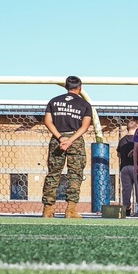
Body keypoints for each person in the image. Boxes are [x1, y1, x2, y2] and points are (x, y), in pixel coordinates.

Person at [41, 75, 92, 218]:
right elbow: (85, 126)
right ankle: (70, 209)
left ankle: (48, 209)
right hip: (75, 140)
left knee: (53, 173)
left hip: (57, 139)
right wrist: (70, 140)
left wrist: (60, 138)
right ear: (80, 88)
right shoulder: (84, 104)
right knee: (75, 174)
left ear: (66, 87)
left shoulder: (54, 101)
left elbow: (48, 122)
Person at [117, 119, 138, 217]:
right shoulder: (137, 139)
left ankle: (126, 209)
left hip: (124, 167)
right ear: (136, 128)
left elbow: (118, 154)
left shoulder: (122, 140)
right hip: (136, 167)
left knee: (126, 189)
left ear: (127, 128)